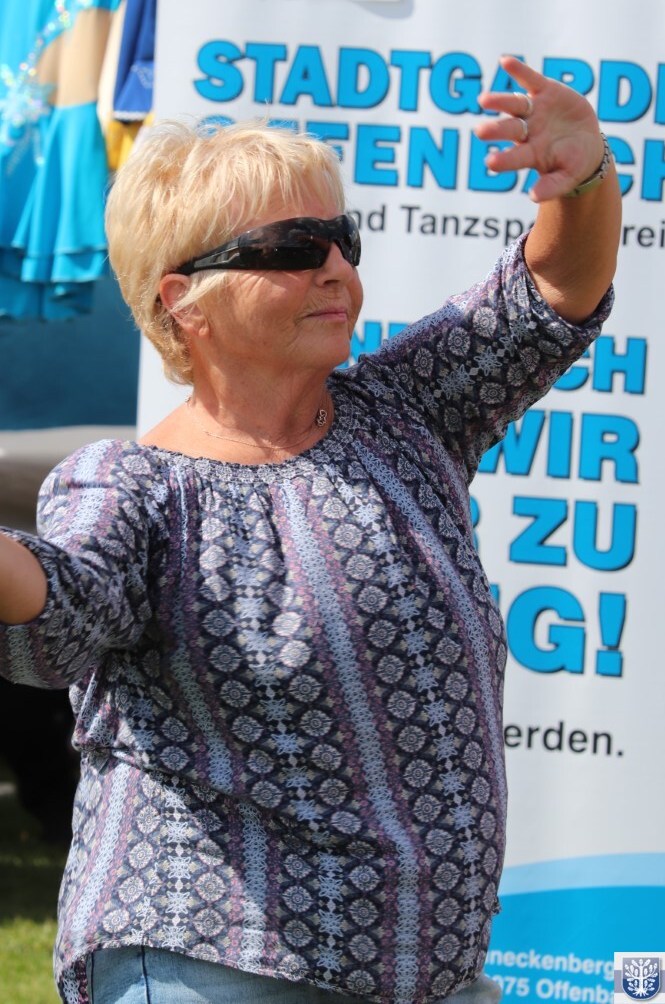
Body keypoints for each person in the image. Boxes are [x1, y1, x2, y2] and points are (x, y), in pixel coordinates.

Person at [0, 56, 621, 1004]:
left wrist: (582, 179)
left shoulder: (404, 408)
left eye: (341, 239)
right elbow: (60, 604)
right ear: (183, 299)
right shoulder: (134, 485)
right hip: (216, 966)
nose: (336, 268)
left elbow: (551, 294)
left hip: (425, 971)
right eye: (294, 247)